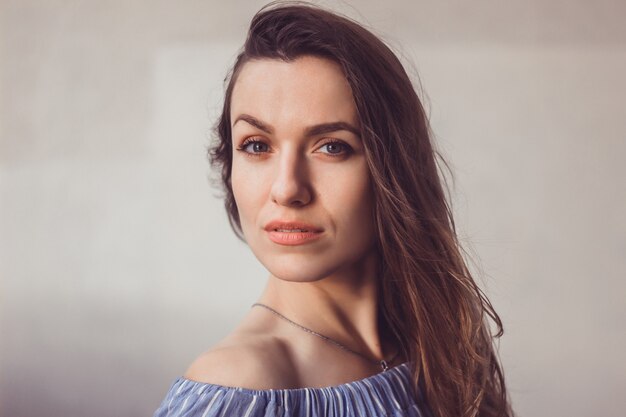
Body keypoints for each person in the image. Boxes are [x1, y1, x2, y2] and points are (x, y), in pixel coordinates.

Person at [153, 2, 513, 416]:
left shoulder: (435, 346)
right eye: (256, 146)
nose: (288, 188)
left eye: (331, 147)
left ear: (393, 167)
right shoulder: (239, 386)